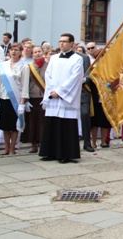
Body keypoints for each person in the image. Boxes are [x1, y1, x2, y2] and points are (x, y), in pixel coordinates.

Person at [39, 33, 84, 163]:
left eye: (64, 41)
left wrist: (60, 91)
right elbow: (48, 75)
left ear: (71, 43)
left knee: (66, 126)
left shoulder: (77, 59)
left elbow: (75, 78)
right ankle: (50, 152)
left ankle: (65, 154)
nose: (61, 43)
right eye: (60, 41)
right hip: (53, 96)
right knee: (51, 124)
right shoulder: (53, 58)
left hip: (66, 97)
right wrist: (53, 90)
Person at [0, 42, 30, 155]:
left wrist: (22, 102)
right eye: (11, 49)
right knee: (5, 125)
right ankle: (6, 147)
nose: (13, 52)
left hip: (16, 99)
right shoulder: (3, 65)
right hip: (4, 97)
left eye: (16, 50)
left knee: (14, 126)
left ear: (20, 52)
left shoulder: (24, 66)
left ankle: (12, 148)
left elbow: (25, 85)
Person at [21, 45, 47, 153]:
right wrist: (26, 100)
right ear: (32, 54)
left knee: (43, 122)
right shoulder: (28, 66)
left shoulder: (49, 66)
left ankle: (44, 144)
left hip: (44, 97)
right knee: (32, 122)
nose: (37, 53)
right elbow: (25, 83)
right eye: (35, 52)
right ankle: (34, 145)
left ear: (43, 52)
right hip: (32, 97)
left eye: (39, 51)